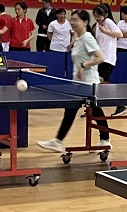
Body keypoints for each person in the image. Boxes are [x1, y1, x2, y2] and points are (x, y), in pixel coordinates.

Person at [36, 9, 110, 152]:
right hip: (79, 83)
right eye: (71, 19)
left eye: (76, 20)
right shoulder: (79, 38)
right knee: (75, 111)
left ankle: (104, 140)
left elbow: (100, 57)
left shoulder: (87, 38)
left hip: (89, 84)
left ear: (85, 22)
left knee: (93, 111)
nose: (72, 22)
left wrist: (84, 65)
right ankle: (59, 141)